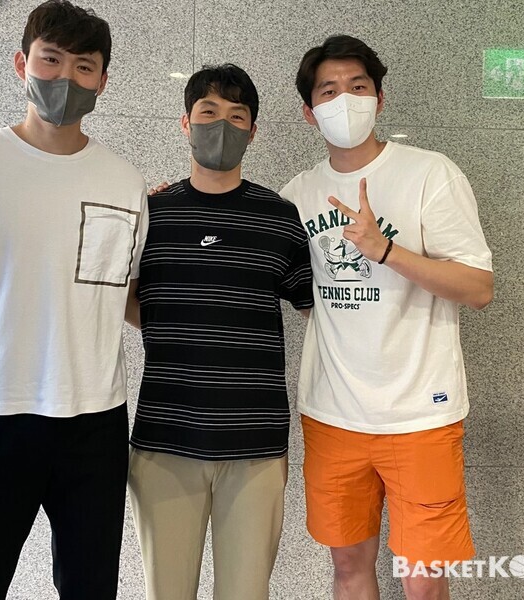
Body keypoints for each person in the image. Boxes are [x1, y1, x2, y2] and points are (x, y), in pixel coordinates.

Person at [0, 2, 147, 598]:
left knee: (92, 588)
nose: (65, 77)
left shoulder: (125, 181)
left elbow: (124, 293)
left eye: (84, 66)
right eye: (51, 59)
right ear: (22, 63)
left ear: (103, 80)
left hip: (95, 420)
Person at [280, 35, 493, 600]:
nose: (345, 99)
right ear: (309, 112)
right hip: (332, 413)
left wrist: (387, 251)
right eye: (328, 91)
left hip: (421, 415)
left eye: (358, 86)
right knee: (349, 570)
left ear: (380, 97)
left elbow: (479, 288)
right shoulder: (296, 195)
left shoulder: (430, 174)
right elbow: (291, 286)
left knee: (423, 581)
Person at [125, 64, 314, 600]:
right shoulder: (151, 215)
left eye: (237, 116)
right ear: (186, 122)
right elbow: (123, 299)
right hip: (165, 441)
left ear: (253, 131)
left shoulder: (280, 218)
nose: (222, 125)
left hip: (256, 446)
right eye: (208, 112)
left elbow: (318, 311)